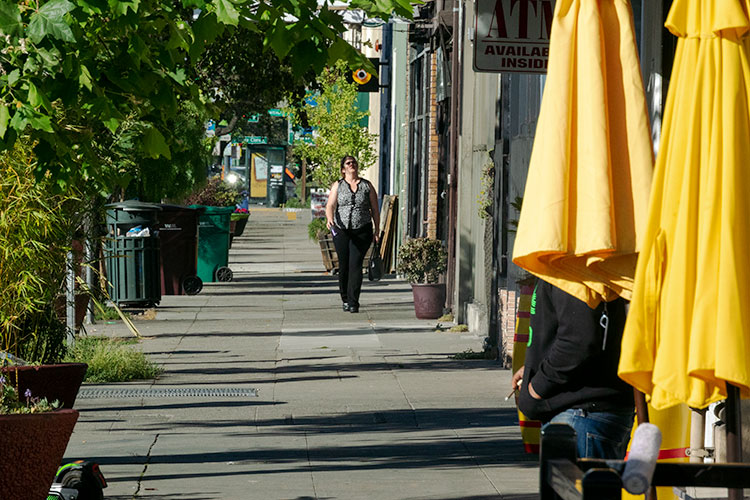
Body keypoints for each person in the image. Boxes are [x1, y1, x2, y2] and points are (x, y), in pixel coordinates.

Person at [511, 279, 635, 459]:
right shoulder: (573, 269)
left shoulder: (569, 270)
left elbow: (578, 342)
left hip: (581, 415)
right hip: (585, 413)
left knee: (575, 479)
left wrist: (536, 388)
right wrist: (534, 366)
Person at [325, 155, 380, 313]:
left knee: (356, 264)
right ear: (343, 169)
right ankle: (345, 298)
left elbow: (374, 209)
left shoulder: (367, 185)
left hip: (362, 230)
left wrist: (377, 230)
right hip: (341, 230)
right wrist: (330, 218)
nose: (352, 165)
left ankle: (353, 301)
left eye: (354, 162)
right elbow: (330, 205)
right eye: (348, 163)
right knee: (344, 265)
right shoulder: (338, 185)